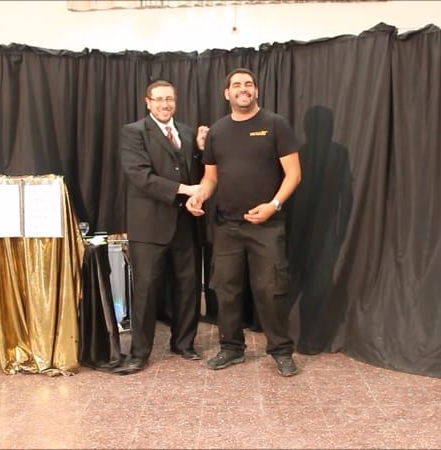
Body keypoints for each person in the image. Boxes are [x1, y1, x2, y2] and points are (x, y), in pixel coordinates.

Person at [186, 68, 302, 377]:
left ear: (256, 91)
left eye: (248, 84)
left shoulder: (275, 124)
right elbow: (210, 178)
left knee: (271, 290)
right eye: (236, 85)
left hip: (267, 225)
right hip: (227, 226)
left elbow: (294, 174)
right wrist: (200, 195)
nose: (243, 89)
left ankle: (281, 351)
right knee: (226, 290)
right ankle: (231, 348)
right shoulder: (218, 131)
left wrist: (273, 206)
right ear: (227, 93)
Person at [114, 79, 210, 375]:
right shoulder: (133, 132)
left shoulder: (187, 132)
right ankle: (139, 353)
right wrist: (184, 189)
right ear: (148, 102)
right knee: (145, 290)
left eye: (169, 99)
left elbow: (196, 172)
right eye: (159, 99)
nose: (165, 104)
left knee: (188, 286)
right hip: (149, 226)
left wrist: (201, 150)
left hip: (186, 223)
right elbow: (140, 176)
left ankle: (184, 343)